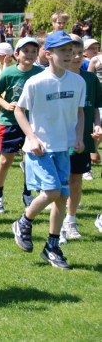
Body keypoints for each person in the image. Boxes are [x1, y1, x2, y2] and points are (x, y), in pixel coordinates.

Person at [11, 30, 86, 270]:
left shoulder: (78, 81)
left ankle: (52, 247)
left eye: (71, 50)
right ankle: (23, 221)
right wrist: (32, 139)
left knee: (62, 198)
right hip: (40, 148)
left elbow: (80, 111)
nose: (68, 54)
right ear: (48, 54)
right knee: (52, 191)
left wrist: (78, 136)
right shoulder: (36, 82)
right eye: (62, 50)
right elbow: (18, 110)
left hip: (63, 148)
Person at [0, 37, 43, 214]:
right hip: (9, 122)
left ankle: (27, 193)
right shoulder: (9, 73)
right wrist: (6, 105)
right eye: (25, 50)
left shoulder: (40, 73)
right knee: (6, 160)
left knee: (29, 160)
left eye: (33, 51)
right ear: (16, 54)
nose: (29, 54)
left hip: (32, 124)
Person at [58, 34, 102, 244]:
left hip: (81, 139)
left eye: (78, 53)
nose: (75, 57)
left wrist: (98, 124)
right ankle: (57, 226)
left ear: (84, 54)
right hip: (59, 138)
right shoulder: (57, 78)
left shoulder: (90, 79)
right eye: (70, 53)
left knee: (75, 181)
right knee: (60, 182)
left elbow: (94, 107)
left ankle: (70, 220)